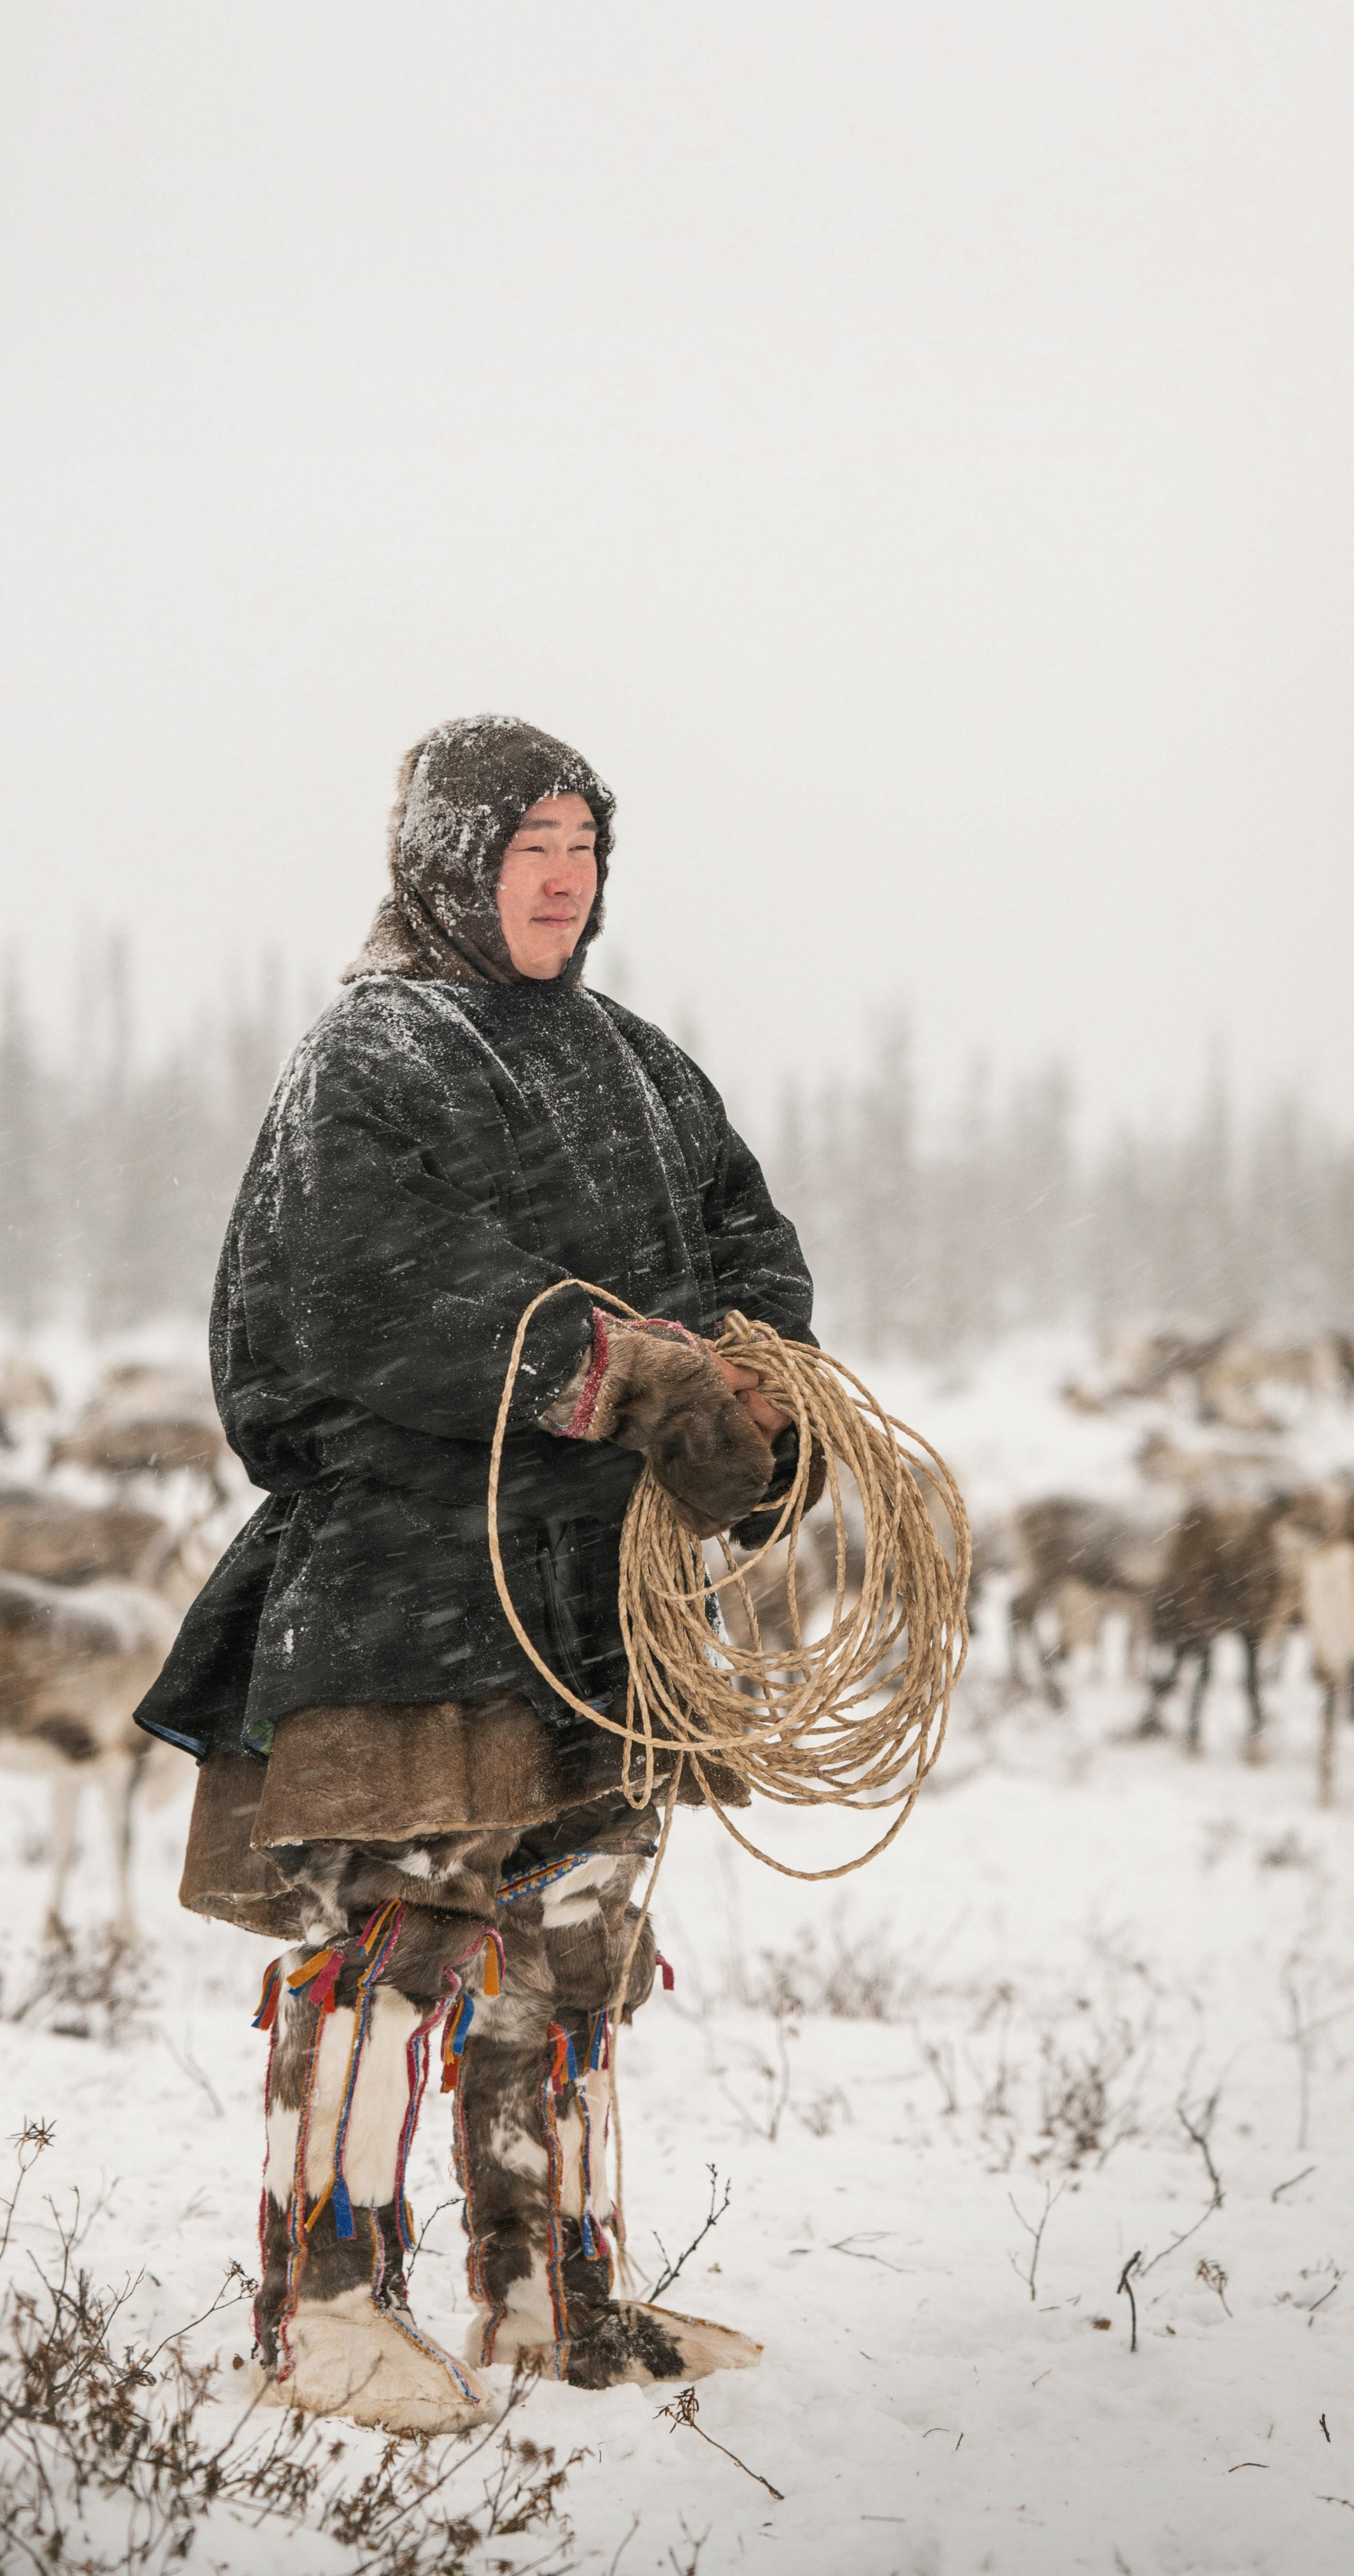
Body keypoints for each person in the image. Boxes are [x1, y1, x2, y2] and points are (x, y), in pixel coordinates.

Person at [138, 714, 817, 2433]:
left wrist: (759, 1394)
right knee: (399, 1924)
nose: (563, 879)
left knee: (577, 1936)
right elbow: (379, 1294)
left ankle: (549, 2298)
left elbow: (746, 1257)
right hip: (407, 1578)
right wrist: (633, 1374)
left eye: (583, 850)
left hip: (603, 1602)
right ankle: (327, 2302)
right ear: (452, 864)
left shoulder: (642, 1067)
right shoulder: (374, 1056)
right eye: (529, 850)